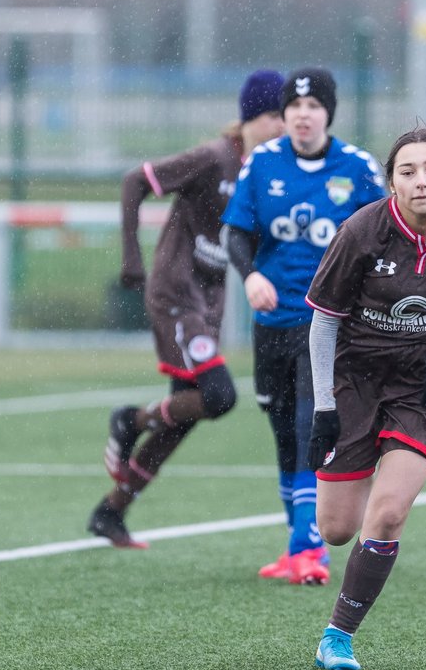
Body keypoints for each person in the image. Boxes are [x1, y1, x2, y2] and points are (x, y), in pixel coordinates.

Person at [305, 126, 426, 670]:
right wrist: (325, 408)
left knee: (389, 512)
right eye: (408, 171)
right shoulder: (362, 231)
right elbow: (324, 325)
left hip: (423, 391)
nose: (422, 181)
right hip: (354, 383)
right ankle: (363, 456)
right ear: (392, 182)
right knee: (338, 529)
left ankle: (338, 637)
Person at [87, 70, 286, 548]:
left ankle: (110, 512)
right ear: (251, 117)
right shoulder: (214, 157)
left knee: (187, 412)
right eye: (275, 115)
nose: (284, 125)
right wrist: (132, 257)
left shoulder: (269, 174)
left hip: (208, 304)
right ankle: (129, 420)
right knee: (219, 396)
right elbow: (136, 180)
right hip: (177, 293)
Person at [222, 67, 384, 585]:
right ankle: (299, 541)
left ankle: (309, 548)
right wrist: (250, 278)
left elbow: (384, 240)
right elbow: (236, 233)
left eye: (313, 107)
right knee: (282, 429)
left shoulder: (357, 168)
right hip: (273, 319)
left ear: (328, 114)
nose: (303, 115)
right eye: (294, 107)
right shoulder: (262, 163)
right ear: (285, 116)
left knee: (312, 421)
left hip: (329, 325)